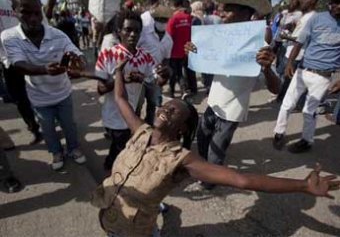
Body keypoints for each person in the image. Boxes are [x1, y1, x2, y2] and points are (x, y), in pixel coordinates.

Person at [90, 38, 340, 237]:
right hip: (107, 213)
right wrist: (120, 70)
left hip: (134, 231)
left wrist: (303, 185)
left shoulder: (181, 160)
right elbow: (121, 99)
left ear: (182, 130)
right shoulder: (140, 130)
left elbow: (242, 180)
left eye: (174, 111)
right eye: (166, 107)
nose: (165, 109)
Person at [185, 0, 280, 190]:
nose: (222, 12)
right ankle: (206, 172)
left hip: (232, 110)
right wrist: (192, 51)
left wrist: (267, 68)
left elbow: (276, 88)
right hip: (213, 102)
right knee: (202, 137)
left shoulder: (260, 45)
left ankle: (209, 182)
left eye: (228, 8)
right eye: (223, 8)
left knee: (215, 152)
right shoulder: (219, 36)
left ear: (246, 11)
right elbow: (205, 59)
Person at [1, 0, 87, 171]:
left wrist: (79, 62)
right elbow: (18, 64)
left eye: (36, 13)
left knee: (69, 125)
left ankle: (73, 148)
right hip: (38, 99)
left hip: (63, 93)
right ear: (14, 11)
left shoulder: (57, 35)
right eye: (25, 13)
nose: (33, 18)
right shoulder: (9, 37)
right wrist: (44, 70)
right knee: (48, 130)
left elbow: (78, 55)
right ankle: (56, 152)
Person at [95, 10, 169, 171]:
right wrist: (121, 79)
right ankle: (115, 172)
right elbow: (100, 89)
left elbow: (157, 80)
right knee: (124, 147)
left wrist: (165, 76)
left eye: (136, 30)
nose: (132, 34)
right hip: (114, 116)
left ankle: (111, 166)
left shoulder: (145, 56)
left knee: (123, 146)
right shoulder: (107, 55)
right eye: (128, 30)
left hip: (133, 113)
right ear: (119, 31)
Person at [273, 0, 340, 153]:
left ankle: (306, 141)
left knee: (309, 111)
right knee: (287, 104)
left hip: (323, 77)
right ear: (330, 3)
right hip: (303, 70)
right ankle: (279, 133)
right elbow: (300, 42)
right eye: (336, 1)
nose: (339, 6)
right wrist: (290, 63)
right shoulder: (317, 19)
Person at [0, 0, 58, 145]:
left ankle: (49, 122)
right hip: (10, 63)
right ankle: (33, 127)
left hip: (34, 58)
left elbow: (45, 22)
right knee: (20, 99)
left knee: (42, 94)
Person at [276, 0, 320, 103]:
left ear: (312, 1)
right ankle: (281, 98)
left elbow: (302, 39)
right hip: (290, 51)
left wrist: (286, 37)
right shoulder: (305, 16)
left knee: (288, 80)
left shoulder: (312, 17)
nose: (301, 1)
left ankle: (287, 101)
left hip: (297, 55)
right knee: (283, 77)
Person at [137, 5, 174, 125]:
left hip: (155, 77)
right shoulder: (144, 33)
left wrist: (163, 73)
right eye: (159, 19)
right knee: (137, 104)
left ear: (168, 21)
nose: (161, 22)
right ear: (154, 19)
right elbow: (135, 49)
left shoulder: (169, 40)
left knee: (152, 105)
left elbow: (166, 60)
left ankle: (149, 127)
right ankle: (135, 128)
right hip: (140, 75)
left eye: (164, 20)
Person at [167, 0, 192, 98]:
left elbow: (168, 36)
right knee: (179, 71)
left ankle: (177, 90)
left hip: (173, 51)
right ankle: (178, 90)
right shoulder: (189, 18)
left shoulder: (173, 19)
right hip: (185, 50)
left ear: (173, 4)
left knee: (174, 72)